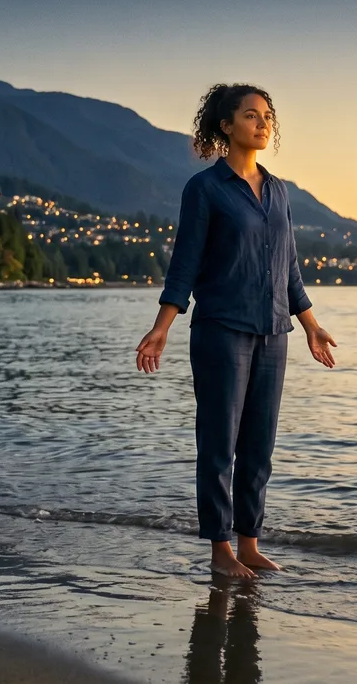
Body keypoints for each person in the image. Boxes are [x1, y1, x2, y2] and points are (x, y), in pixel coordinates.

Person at [135, 83, 337, 579]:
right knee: (219, 443)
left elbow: (289, 268)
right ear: (226, 126)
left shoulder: (279, 190)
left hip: (274, 333)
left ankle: (249, 543)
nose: (262, 123)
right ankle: (220, 550)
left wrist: (309, 324)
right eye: (251, 115)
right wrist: (163, 326)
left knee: (259, 447)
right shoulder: (204, 189)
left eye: (267, 116)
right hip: (222, 331)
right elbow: (185, 264)